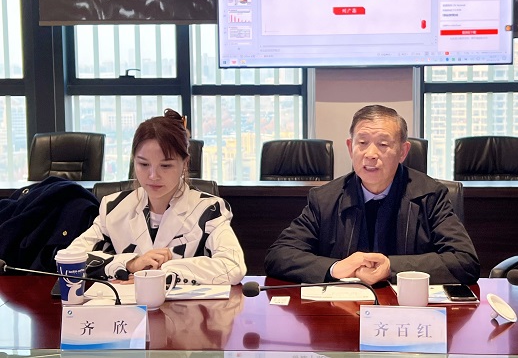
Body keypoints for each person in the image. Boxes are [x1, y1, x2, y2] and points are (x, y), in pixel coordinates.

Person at [264, 105, 479, 285]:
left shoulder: (430, 195)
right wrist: (335, 268)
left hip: (406, 311)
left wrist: (391, 267)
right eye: (362, 143)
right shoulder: (324, 199)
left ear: (403, 151)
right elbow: (279, 255)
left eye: (383, 144)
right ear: (350, 148)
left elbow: (464, 261)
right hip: (344, 311)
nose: (370, 154)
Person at [67, 109, 246, 285]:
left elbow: (233, 266)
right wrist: (130, 264)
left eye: (165, 166)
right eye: (144, 164)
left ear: (185, 164)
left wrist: (162, 271)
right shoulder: (113, 207)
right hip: (126, 304)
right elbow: (70, 258)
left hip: (186, 304)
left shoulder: (209, 210)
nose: (153, 176)